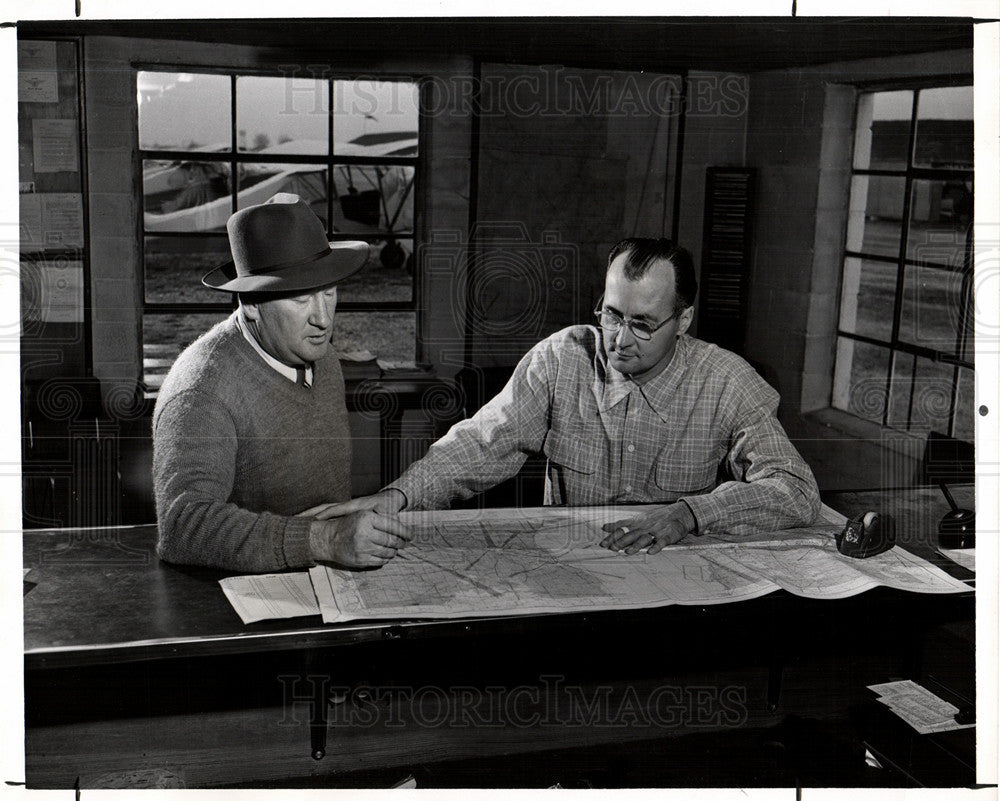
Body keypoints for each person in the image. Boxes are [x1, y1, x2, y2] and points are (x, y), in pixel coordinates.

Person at [314, 237, 820, 555]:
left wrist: (689, 514)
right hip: (577, 572)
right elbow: (482, 443)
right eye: (612, 314)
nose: (620, 340)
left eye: (643, 324)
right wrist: (397, 496)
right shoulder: (561, 359)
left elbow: (795, 489)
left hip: (677, 582)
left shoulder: (727, 380)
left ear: (683, 321)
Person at [152, 193, 411, 573]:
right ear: (251, 303)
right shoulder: (202, 389)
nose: (323, 319)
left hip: (328, 586)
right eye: (301, 299)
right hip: (240, 605)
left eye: (329, 292)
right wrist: (325, 540)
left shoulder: (323, 357)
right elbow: (183, 526)